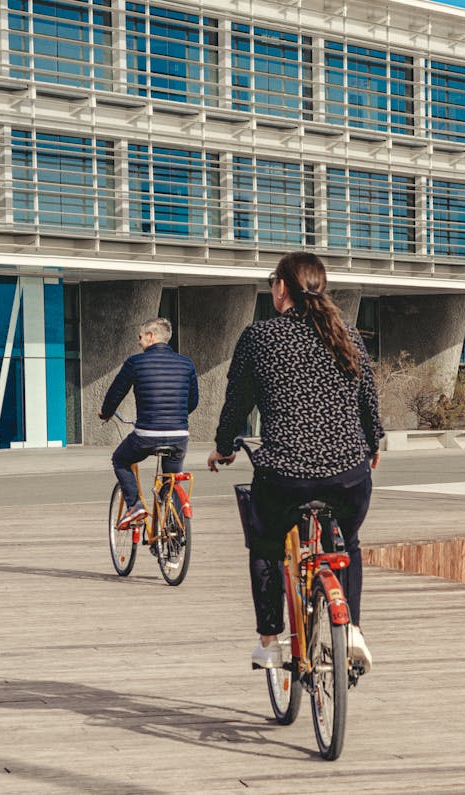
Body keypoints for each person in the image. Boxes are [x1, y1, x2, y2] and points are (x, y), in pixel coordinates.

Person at [208, 252, 384, 674]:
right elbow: (368, 402)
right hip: (348, 474)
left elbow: (237, 404)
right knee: (347, 542)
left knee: (266, 545)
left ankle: (269, 642)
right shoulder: (349, 337)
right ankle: (354, 629)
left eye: (273, 282)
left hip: (284, 474)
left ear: (281, 288)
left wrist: (224, 446)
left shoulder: (259, 337)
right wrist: (373, 443)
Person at [99, 318, 199, 530]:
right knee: (171, 480)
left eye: (141, 336)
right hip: (179, 435)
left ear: (152, 336)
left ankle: (134, 506)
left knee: (120, 459)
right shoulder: (186, 363)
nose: (139, 341)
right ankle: (173, 530)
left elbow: (116, 392)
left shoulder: (135, 362)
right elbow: (193, 402)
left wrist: (106, 413)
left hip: (147, 435)